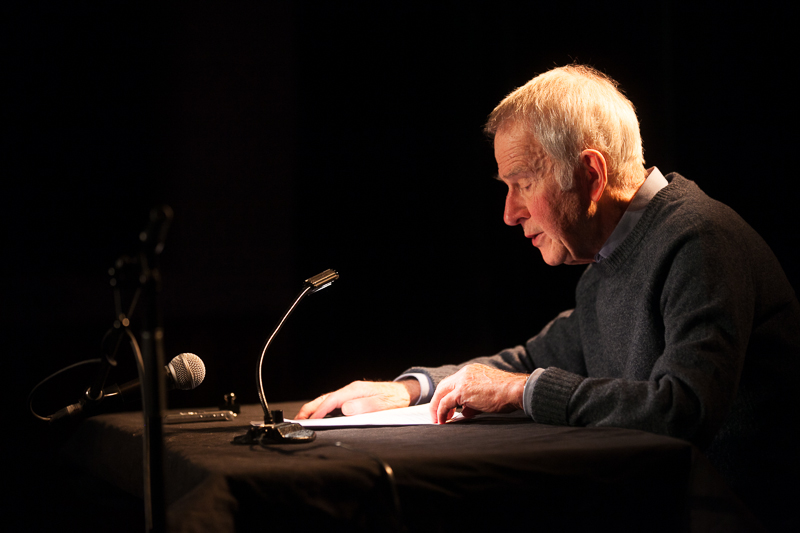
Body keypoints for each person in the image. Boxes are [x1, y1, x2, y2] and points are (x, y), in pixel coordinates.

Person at [296, 65, 799, 527]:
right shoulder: (608, 260)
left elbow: (682, 410)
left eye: (522, 183)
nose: (509, 213)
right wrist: (414, 390)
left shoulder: (700, 242)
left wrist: (519, 391)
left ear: (591, 174)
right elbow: (533, 360)